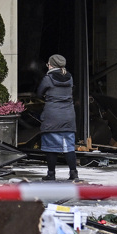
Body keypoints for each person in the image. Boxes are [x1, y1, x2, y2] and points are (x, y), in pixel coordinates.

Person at [36, 54, 78, 182]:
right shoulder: (70, 77)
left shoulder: (48, 78)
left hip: (52, 116)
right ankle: (73, 173)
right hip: (68, 115)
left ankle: (51, 174)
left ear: (51, 65)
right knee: (69, 146)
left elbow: (39, 93)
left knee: (51, 146)